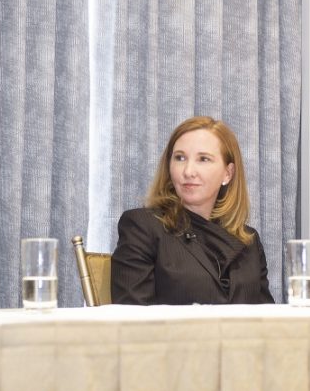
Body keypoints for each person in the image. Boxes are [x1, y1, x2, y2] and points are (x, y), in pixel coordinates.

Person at [111, 116, 274, 304]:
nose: (188, 171)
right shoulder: (142, 226)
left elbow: (267, 321)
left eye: (203, 159)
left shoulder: (249, 241)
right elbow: (131, 318)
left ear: (227, 173)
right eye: (180, 158)